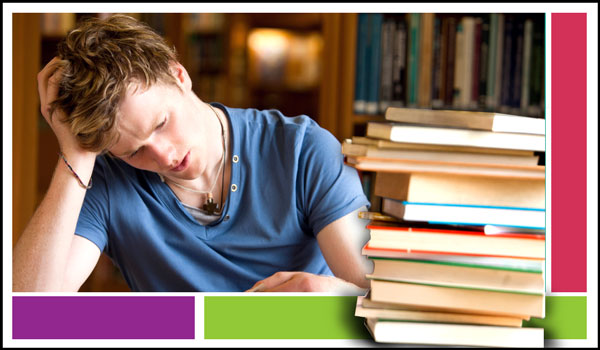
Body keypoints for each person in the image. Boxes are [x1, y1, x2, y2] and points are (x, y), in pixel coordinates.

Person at [13, 14, 372, 292]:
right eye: (135, 151)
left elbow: (379, 297)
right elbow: (27, 312)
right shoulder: (105, 181)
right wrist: (75, 155)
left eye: (160, 124)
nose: (164, 156)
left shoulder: (302, 150)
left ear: (178, 74)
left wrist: (328, 294)